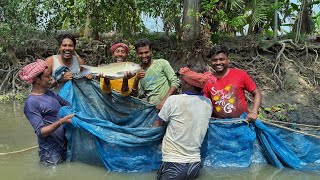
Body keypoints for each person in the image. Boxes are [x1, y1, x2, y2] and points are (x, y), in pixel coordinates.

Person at [152, 66, 213, 180]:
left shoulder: (173, 100)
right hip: (194, 164)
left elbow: (157, 124)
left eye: (182, 80)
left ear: (188, 83)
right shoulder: (208, 103)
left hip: (174, 163)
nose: (180, 83)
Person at [18, 59, 74, 165]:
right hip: (50, 153)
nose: (51, 78)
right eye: (47, 76)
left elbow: (67, 104)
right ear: (37, 80)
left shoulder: (49, 93)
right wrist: (62, 121)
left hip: (64, 146)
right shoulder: (31, 103)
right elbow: (41, 132)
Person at [203, 45, 262, 122]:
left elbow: (257, 93)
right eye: (214, 60)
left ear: (228, 60)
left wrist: (254, 112)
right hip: (219, 126)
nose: (218, 63)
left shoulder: (240, 74)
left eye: (221, 59)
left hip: (242, 123)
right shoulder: (208, 81)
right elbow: (204, 104)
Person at [132, 38, 180, 110]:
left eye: (146, 52)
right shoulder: (138, 71)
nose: (144, 55)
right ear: (137, 53)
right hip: (153, 109)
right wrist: (136, 79)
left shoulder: (162, 63)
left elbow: (175, 82)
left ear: (151, 51)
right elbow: (136, 95)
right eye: (141, 53)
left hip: (170, 105)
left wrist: (163, 101)